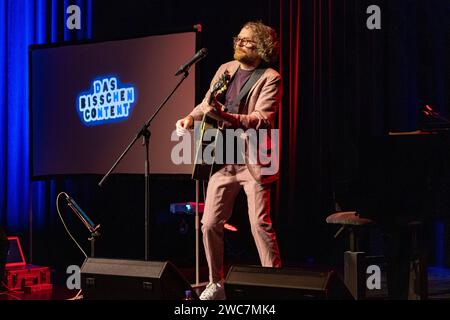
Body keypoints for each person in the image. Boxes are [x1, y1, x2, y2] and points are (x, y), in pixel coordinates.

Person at [176, 21, 282, 300]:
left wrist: (226, 116)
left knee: (260, 224)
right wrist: (190, 117)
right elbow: (206, 104)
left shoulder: (271, 77)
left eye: (246, 40)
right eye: (239, 38)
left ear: (261, 48)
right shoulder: (225, 69)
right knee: (209, 223)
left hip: (254, 162)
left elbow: (262, 119)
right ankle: (216, 283)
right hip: (222, 158)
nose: (239, 43)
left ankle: (275, 283)